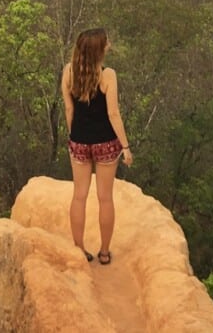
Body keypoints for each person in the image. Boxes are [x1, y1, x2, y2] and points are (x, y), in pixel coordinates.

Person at [62, 28, 133, 265]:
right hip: (105, 143)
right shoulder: (108, 76)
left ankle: (79, 249)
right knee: (105, 198)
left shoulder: (69, 72)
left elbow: (69, 109)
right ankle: (104, 252)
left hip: (80, 141)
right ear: (98, 50)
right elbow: (113, 113)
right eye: (106, 43)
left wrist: (75, 136)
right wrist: (125, 146)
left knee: (79, 196)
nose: (109, 45)